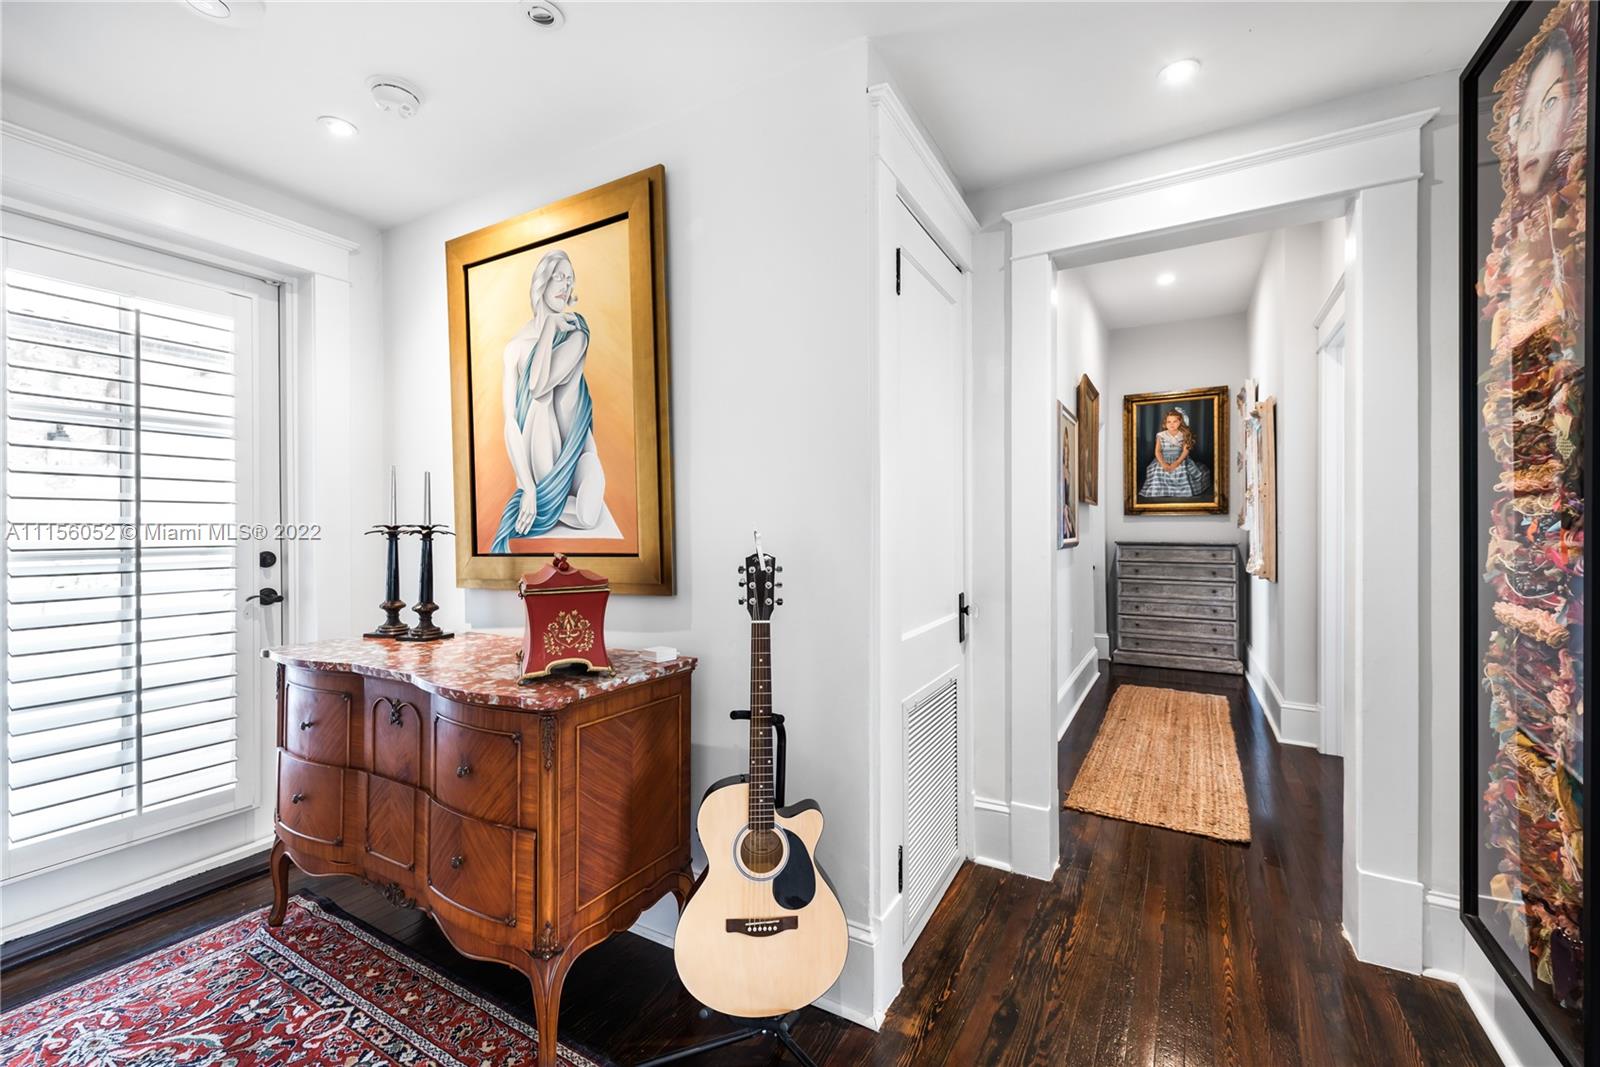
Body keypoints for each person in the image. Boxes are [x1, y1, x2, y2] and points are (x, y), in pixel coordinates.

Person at [492, 249, 607, 553]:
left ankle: (548, 503)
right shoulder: (515, 347)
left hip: (577, 460)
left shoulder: (576, 332)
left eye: (570, 279)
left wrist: (551, 328)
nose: (565, 285)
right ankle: (542, 498)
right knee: (540, 406)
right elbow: (511, 422)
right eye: (559, 277)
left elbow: (538, 383)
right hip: (542, 456)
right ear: (542, 282)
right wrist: (527, 486)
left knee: (587, 515)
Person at [1139, 408, 1211, 499]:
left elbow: (1186, 451)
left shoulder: (1183, 434)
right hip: (1163, 459)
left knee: (1182, 470)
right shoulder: (1161, 435)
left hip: (1179, 459)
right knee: (1158, 471)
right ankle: (1161, 490)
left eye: (1175, 421)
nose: (1171, 424)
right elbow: (1157, 451)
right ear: (1165, 423)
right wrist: (1163, 463)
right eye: (1169, 422)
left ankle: (1180, 491)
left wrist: (1177, 463)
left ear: (1180, 422)